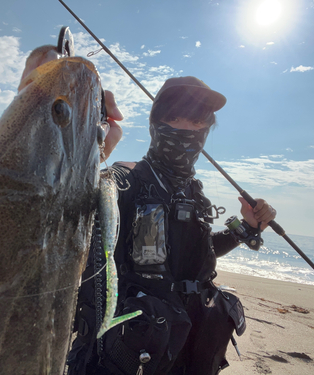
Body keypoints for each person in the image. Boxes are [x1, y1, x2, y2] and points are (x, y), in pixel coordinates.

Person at [66, 76, 277, 375]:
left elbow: (196, 257)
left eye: (196, 122)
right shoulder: (122, 181)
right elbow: (73, 218)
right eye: (174, 118)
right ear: (155, 125)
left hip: (183, 349)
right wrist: (89, 156)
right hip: (124, 353)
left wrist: (245, 228)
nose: (186, 130)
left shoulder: (193, 192)